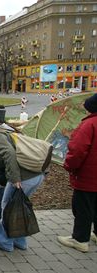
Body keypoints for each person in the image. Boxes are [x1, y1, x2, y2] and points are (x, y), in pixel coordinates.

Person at [0, 113, 45, 252]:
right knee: (17, 207)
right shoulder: (6, 129)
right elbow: (3, 160)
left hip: (23, 177)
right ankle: (20, 241)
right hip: (35, 174)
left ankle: (4, 242)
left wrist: (15, 179)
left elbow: (9, 154)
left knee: (8, 208)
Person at [57, 93, 97, 252]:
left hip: (87, 177)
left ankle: (80, 239)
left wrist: (69, 165)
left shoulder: (89, 124)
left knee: (83, 207)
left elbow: (77, 150)